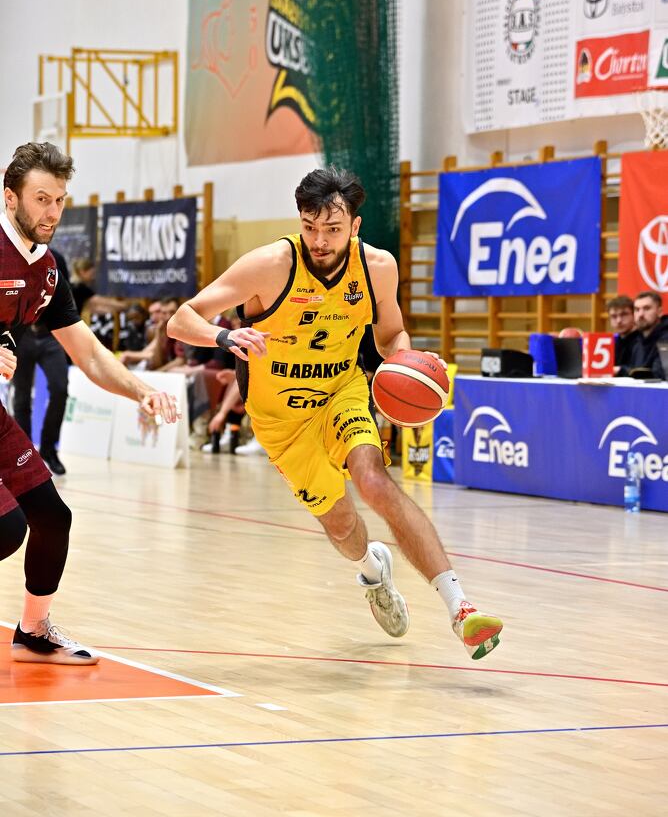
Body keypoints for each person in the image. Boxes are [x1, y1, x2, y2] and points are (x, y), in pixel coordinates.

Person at [168, 166, 503, 660]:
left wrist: (403, 363)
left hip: (341, 393)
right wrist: (223, 335)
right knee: (343, 528)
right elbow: (181, 319)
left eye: (332, 228)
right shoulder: (270, 265)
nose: (320, 241)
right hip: (280, 422)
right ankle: (373, 571)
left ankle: (460, 608)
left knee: (373, 480)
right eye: (310, 227)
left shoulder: (377, 268)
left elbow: (391, 334)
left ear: (355, 225)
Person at [1, 142, 179, 666]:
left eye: (59, 200)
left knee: (52, 516)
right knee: (6, 529)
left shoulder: (48, 269)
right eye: (41, 198)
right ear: (10, 198)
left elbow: (89, 352)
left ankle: (33, 632)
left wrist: (141, 390)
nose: (52, 212)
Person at [12, 245, 72, 476]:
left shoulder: (56, 258)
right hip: (22, 334)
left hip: (50, 335)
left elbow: (64, 299)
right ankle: (25, 455)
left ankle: (48, 448)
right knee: (21, 396)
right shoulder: (12, 255)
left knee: (60, 389)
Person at [618, 291, 668, 379]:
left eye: (647, 308)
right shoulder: (637, 341)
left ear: (660, 312)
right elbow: (635, 371)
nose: (640, 314)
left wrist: (622, 370)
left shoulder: (665, 339)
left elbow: (659, 375)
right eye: (637, 310)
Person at [606, 295, 636, 371]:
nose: (619, 320)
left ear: (634, 315)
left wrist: (618, 370)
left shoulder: (642, 341)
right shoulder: (615, 342)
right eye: (614, 316)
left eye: (624, 314)